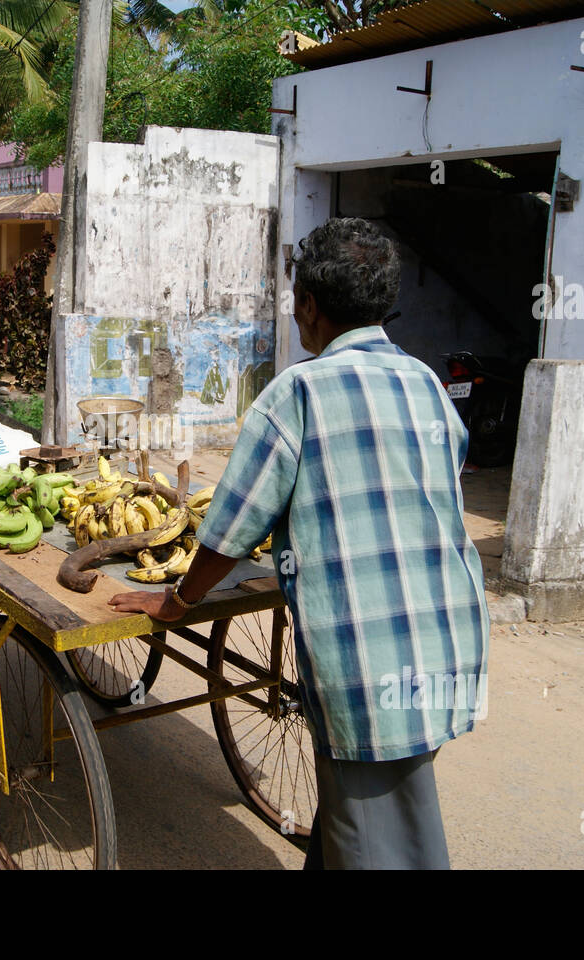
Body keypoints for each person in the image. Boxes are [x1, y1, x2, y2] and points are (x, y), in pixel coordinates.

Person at [108, 217, 490, 869]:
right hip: (448, 646)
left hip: (367, 664)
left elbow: (231, 530)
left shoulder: (299, 392)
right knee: (368, 818)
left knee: (379, 839)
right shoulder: (426, 384)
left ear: (309, 306)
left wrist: (176, 602)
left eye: (295, 303)